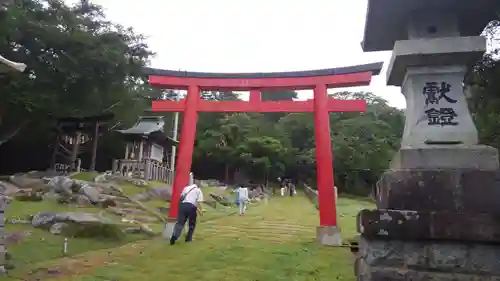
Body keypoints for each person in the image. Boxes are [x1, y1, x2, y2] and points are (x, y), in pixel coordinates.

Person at [170, 180, 205, 245]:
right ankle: (188, 238)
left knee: (180, 223)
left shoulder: (186, 188)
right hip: (191, 207)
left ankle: (174, 236)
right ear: (199, 184)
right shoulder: (198, 190)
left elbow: (184, 198)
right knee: (192, 223)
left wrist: (198, 209)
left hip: (182, 206)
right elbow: (199, 201)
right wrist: (202, 209)